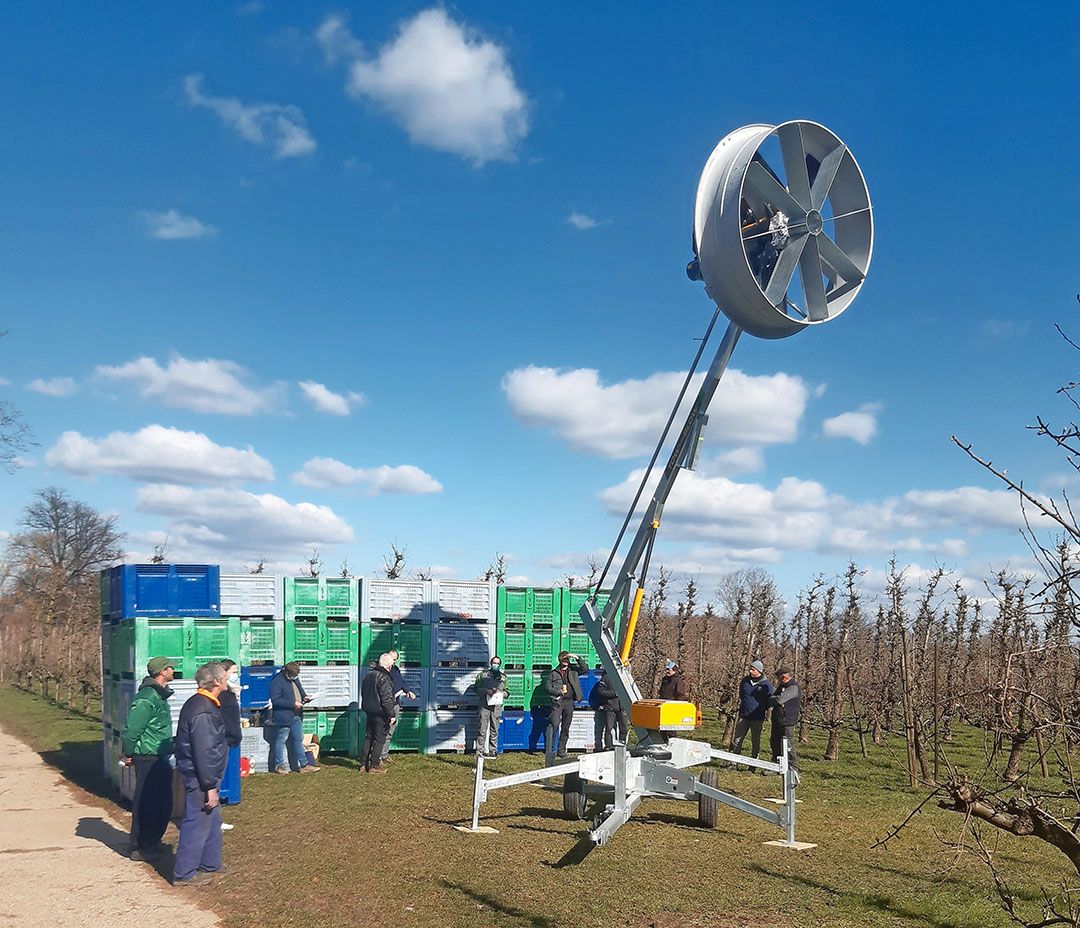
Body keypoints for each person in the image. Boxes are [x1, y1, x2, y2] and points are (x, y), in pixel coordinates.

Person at [172, 661, 229, 886]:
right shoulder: (202, 710)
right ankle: (184, 873)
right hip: (200, 777)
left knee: (212, 820)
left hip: (206, 776)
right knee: (197, 822)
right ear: (215, 681)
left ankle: (210, 864)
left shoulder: (204, 704)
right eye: (225, 676)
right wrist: (210, 786)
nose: (228, 679)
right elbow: (204, 751)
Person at [120, 656, 175, 861]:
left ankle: (153, 840)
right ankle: (139, 845)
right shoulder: (147, 697)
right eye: (170, 668)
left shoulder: (158, 695)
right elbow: (132, 729)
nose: (173, 670)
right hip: (146, 756)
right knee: (146, 801)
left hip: (159, 754)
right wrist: (129, 752)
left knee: (162, 801)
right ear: (162, 672)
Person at [269, 662, 319, 774]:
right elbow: (276, 700)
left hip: (296, 715)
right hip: (284, 716)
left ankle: (304, 765)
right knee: (281, 740)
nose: (295, 678)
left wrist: (305, 697)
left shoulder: (294, 679)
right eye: (292, 676)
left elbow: (299, 690)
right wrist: (293, 703)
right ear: (286, 673)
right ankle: (279, 765)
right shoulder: (277, 682)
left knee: (298, 739)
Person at [545, 651, 586, 762]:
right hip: (558, 702)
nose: (566, 661)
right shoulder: (554, 673)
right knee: (554, 724)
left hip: (569, 702)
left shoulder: (573, 671)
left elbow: (585, 668)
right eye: (564, 659)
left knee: (566, 727)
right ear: (559, 660)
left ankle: (561, 750)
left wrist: (577, 657)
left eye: (567, 659)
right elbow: (547, 687)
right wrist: (558, 692)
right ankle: (551, 749)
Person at [730, 660, 773, 761]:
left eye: (753, 670)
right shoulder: (745, 681)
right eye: (750, 669)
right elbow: (742, 694)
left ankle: (753, 763)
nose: (750, 671)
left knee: (755, 740)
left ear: (759, 671)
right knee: (737, 739)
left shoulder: (766, 685)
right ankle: (733, 762)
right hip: (744, 715)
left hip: (757, 717)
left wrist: (762, 708)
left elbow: (770, 699)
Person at [360, 652, 396, 773]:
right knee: (379, 739)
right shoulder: (384, 677)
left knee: (368, 737)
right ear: (388, 666)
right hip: (381, 713)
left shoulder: (368, 675)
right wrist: (391, 714)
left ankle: (363, 764)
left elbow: (363, 694)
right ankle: (374, 765)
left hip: (369, 710)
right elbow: (386, 699)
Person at [380, 649, 417, 767]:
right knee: (382, 730)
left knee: (390, 730)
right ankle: (377, 756)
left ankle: (384, 754)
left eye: (395, 660)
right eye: (391, 659)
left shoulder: (395, 669)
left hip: (395, 703)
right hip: (385, 704)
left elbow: (401, 682)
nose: (393, 662)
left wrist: (408, 691)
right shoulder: (382, 672)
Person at [217, 659, 242, 831]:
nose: (236, 675)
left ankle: (214, 820)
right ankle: (213, 821)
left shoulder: (230, 693)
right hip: (223, 740)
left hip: (230, 739)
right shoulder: (222, 695)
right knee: (215, 782)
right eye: (234, 671)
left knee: (217, 781)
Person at [769, 666, 801, 770]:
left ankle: (792, 767)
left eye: (778, 678)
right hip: (778, 719)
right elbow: (774, 698)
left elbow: (780, 700)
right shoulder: (781, 687)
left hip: (787, 720)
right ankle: (776, 764)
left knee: (787, 744)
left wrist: (773, 699)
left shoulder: (792, 687)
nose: (777, 681)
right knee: (775, 742)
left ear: (784, 677)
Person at [474, 656, 507, 757]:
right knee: (482, 729)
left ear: (499, 665)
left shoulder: (503, 678)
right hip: (484, 705)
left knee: (495, 729)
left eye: (497, 663)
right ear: (490, 663)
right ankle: (479, 750)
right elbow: (475, 689)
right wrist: (486, 691)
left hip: (496, 707)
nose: (495, 665)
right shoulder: (482, 676)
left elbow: (508, 692)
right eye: (494, 663)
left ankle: (493, 750)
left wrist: (500, 693)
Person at [593, 672, 628, 751]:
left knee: (624, 729)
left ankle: (622, 745)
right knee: (609, 728)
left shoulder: (624, 676)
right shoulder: (606, 677)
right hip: (610, 708)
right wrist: (614, 694)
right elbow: (601, 691)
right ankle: (609, 746)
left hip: (622, 708)